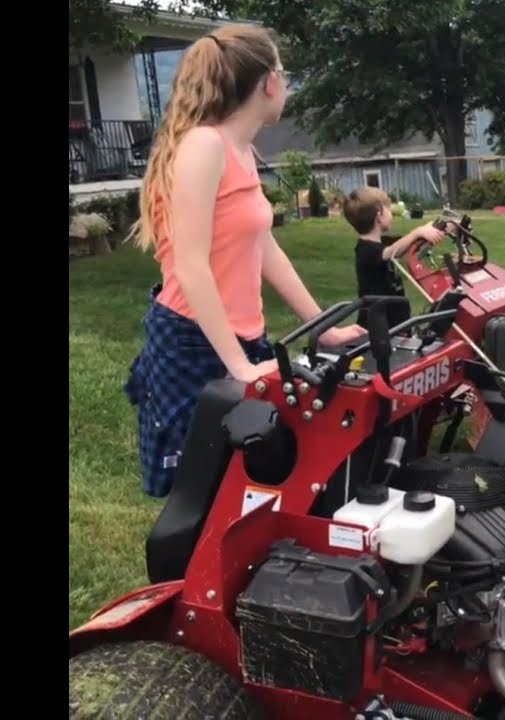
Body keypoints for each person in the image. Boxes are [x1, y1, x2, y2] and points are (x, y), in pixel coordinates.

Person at [123, 24, 367, 499]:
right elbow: (191, 266)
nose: (288, 87)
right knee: (201, 490)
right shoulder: (204, 146)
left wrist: (324, 327)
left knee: (256, 479)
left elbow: (264, 248)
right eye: (285, 74)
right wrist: (239, 366)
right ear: (269, 81)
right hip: (192, 341)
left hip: (241, 338)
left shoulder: (241, 149)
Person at [343, 186, 449, 330]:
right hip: (379, 325)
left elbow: (407, 243)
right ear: (379, 215)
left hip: (395, 319)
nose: (391, 213)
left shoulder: (382, 243)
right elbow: (391, 252)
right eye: (388, 209)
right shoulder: (366, 250)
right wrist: (418, 232)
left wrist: (441, 228)